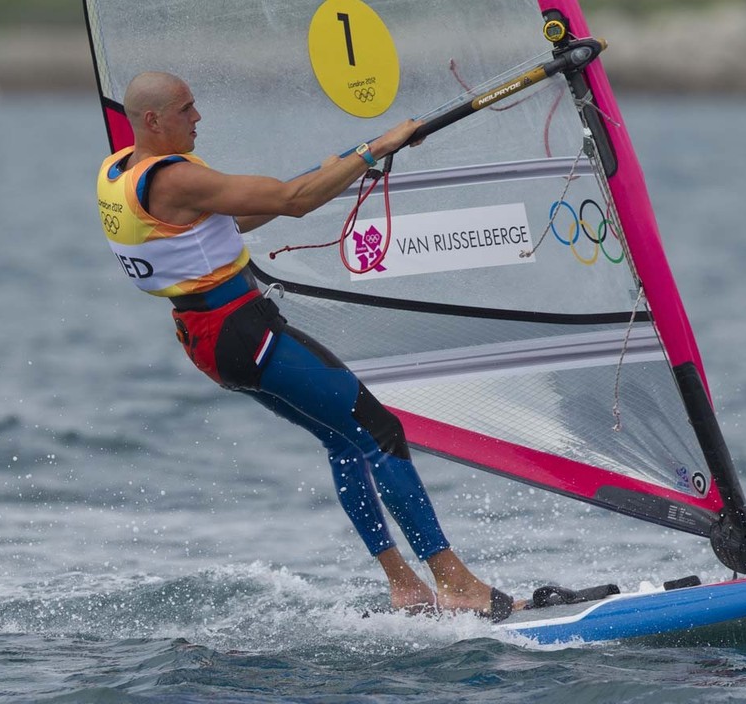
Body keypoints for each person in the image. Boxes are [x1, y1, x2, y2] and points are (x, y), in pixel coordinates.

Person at [95, 71, 520, 621]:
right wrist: (374, 150)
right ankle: (453, 581)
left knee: (343, 439)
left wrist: (338, 167)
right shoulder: (174, 180)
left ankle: (405, 584)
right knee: (379, 430)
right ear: (152, 121)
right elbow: (293, 202)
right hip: (245, 331)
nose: (198, 117)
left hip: (209, 341)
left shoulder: (117, 172)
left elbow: (239, 216)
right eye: (186, 109)